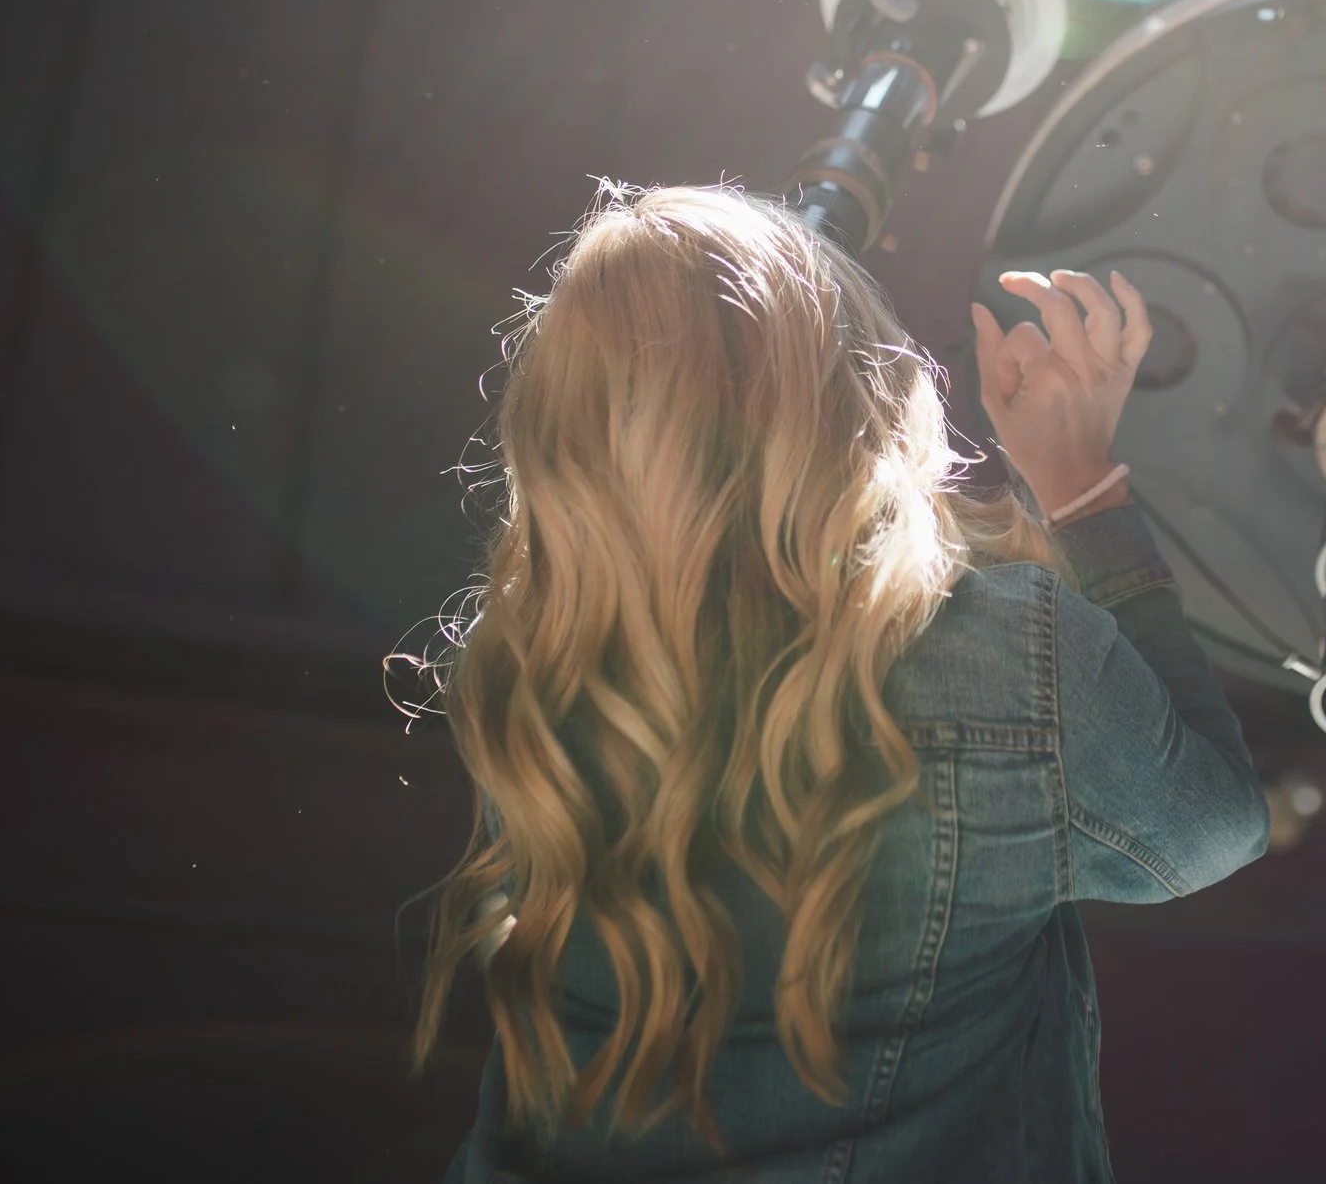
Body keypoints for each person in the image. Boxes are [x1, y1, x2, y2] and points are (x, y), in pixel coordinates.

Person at [419, 183, 1269, 1182]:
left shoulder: (530, 663)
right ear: (845, 390)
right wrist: (1081, 485)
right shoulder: (1006, 656)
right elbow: (1210, 827)